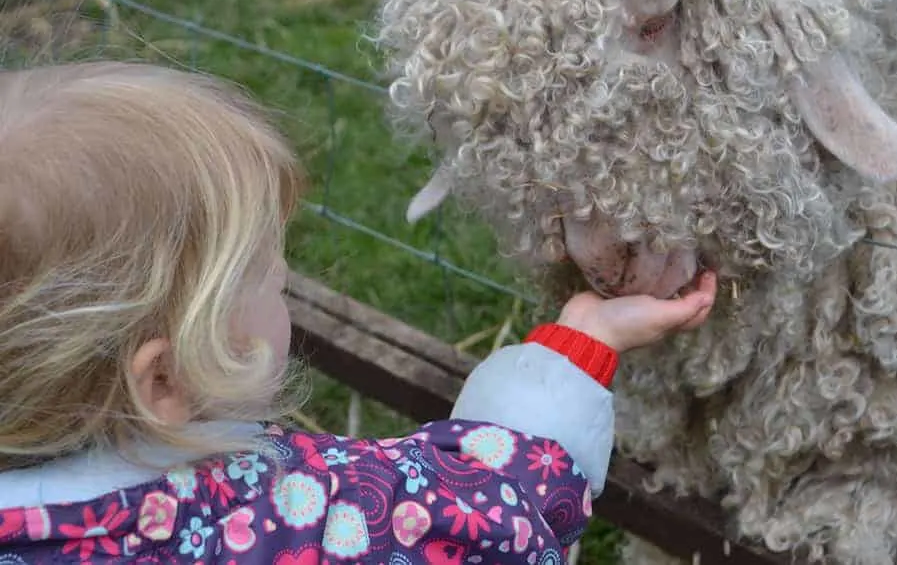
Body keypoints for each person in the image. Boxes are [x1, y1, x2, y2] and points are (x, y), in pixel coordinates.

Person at [0, 60, 717, 564]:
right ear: (164, 381)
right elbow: (490, 514)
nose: (285, 285)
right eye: (273, 284)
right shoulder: (278, 523)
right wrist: (575, 347)